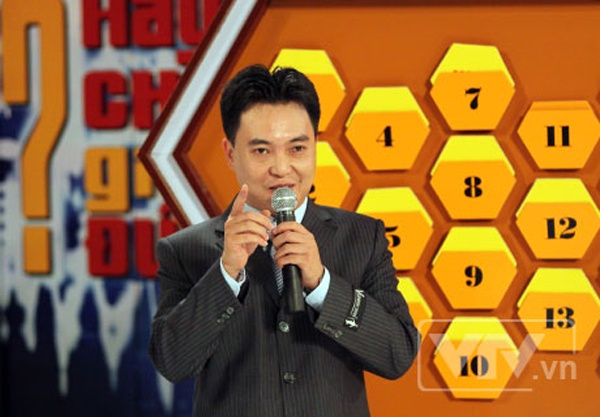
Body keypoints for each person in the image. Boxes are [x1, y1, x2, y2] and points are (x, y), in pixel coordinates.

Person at [148, 64, 420, 417]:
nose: (281, 168)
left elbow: (397, 354)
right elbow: (172, 362)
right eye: (262, 151)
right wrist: (226, 274)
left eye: (297, 148)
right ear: (230, 153)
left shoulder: (362, 237)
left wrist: (323, 285)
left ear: (315, 148)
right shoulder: (185, 250)